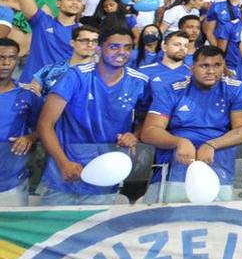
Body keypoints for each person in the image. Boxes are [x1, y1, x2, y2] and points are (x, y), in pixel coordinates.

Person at [36, 26, 150, 205]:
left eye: (127, 47)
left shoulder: (140, 82)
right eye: (114, 47)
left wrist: (134, 135)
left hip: (105, 177)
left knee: (95, 232)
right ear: (99, 48)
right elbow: (45, 124)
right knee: (50, 231)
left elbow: (145, 120)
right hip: (63, 175)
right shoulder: (75, 76)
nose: (121, 52)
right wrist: (63, 163)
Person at [140, 45, 242, 202]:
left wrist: (212, 145)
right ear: (192, 67)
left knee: (218, 224)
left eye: (217, 65)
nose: (211, 71)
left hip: (219, 171)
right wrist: (179, 142)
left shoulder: (236, 89)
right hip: (174, 172)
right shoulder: (172, 90)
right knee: (169, 223)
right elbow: (149, 131)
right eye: (204, 66)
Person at [16, 0, 83, 83]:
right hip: (29, 86)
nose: (74, 3)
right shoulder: (42, 22)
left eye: (78, 0)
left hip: (60, 92)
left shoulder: (83, 34)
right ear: (58, 3)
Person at [0, 38, 40, 205]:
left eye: (12, 57)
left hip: (12, 182)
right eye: (1, 57)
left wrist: (30, 138)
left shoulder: (27, 94)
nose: (6, 63)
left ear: (18, 60)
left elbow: (44, 128)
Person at [29, 23, 99, 97]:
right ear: (72, 43)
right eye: (85, 40)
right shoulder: (49, 69)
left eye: (94, 41)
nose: (90, 45)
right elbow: (33, 92)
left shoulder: (99, 75)